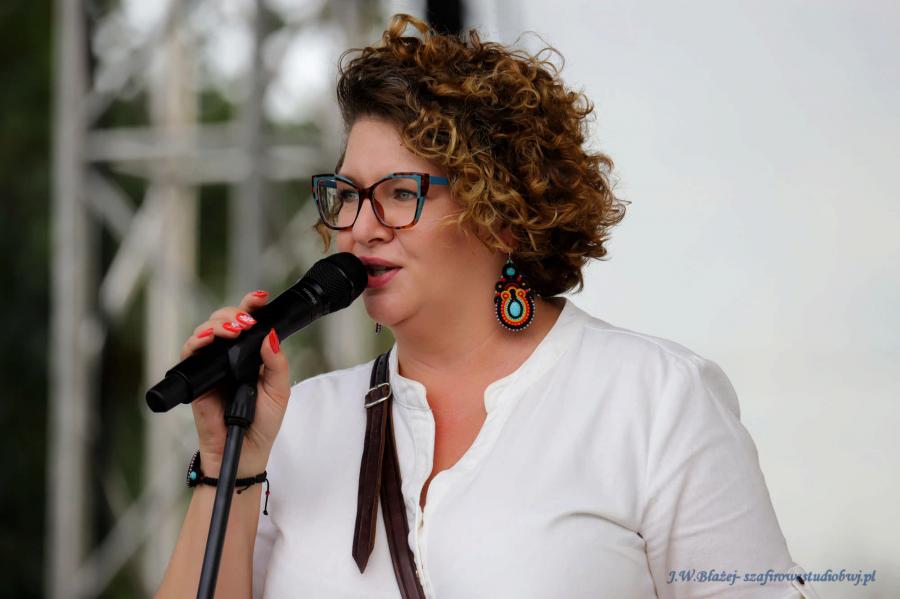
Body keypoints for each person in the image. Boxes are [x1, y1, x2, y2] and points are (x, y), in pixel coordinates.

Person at [157, 14, 819, 599]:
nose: (360, 227)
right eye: (348, 194)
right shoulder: (298, 424)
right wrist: (226, 462)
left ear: (501, 210)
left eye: (399, 192)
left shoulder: (656, 400)